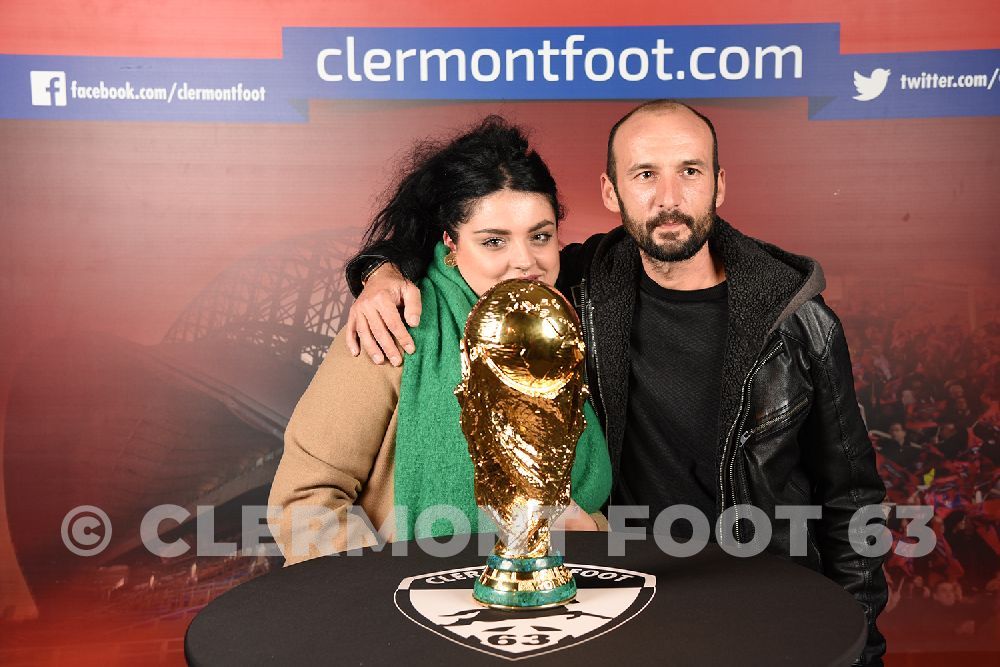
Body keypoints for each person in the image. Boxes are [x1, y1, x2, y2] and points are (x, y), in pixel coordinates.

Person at [344, 100, 889, 665]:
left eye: (691, 171)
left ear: (720, 186)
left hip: (760, 598)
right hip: (625, 601)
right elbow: (475, 250)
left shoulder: (797, 321)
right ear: (611, 193)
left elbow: (851, 497)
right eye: (645, 174)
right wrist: (378, 273)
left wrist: (862, 646)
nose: (670, 198)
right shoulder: (576, 285)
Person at [267, 117, 612, 566]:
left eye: (540, 236)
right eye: (493, 242)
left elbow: (582, 502)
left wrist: (593, 538)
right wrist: (387, 599)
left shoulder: (561, 327)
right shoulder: (394, 327)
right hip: (409, 614)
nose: (525, 261)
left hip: (559, 603)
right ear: (450, 240)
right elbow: (306, 499)